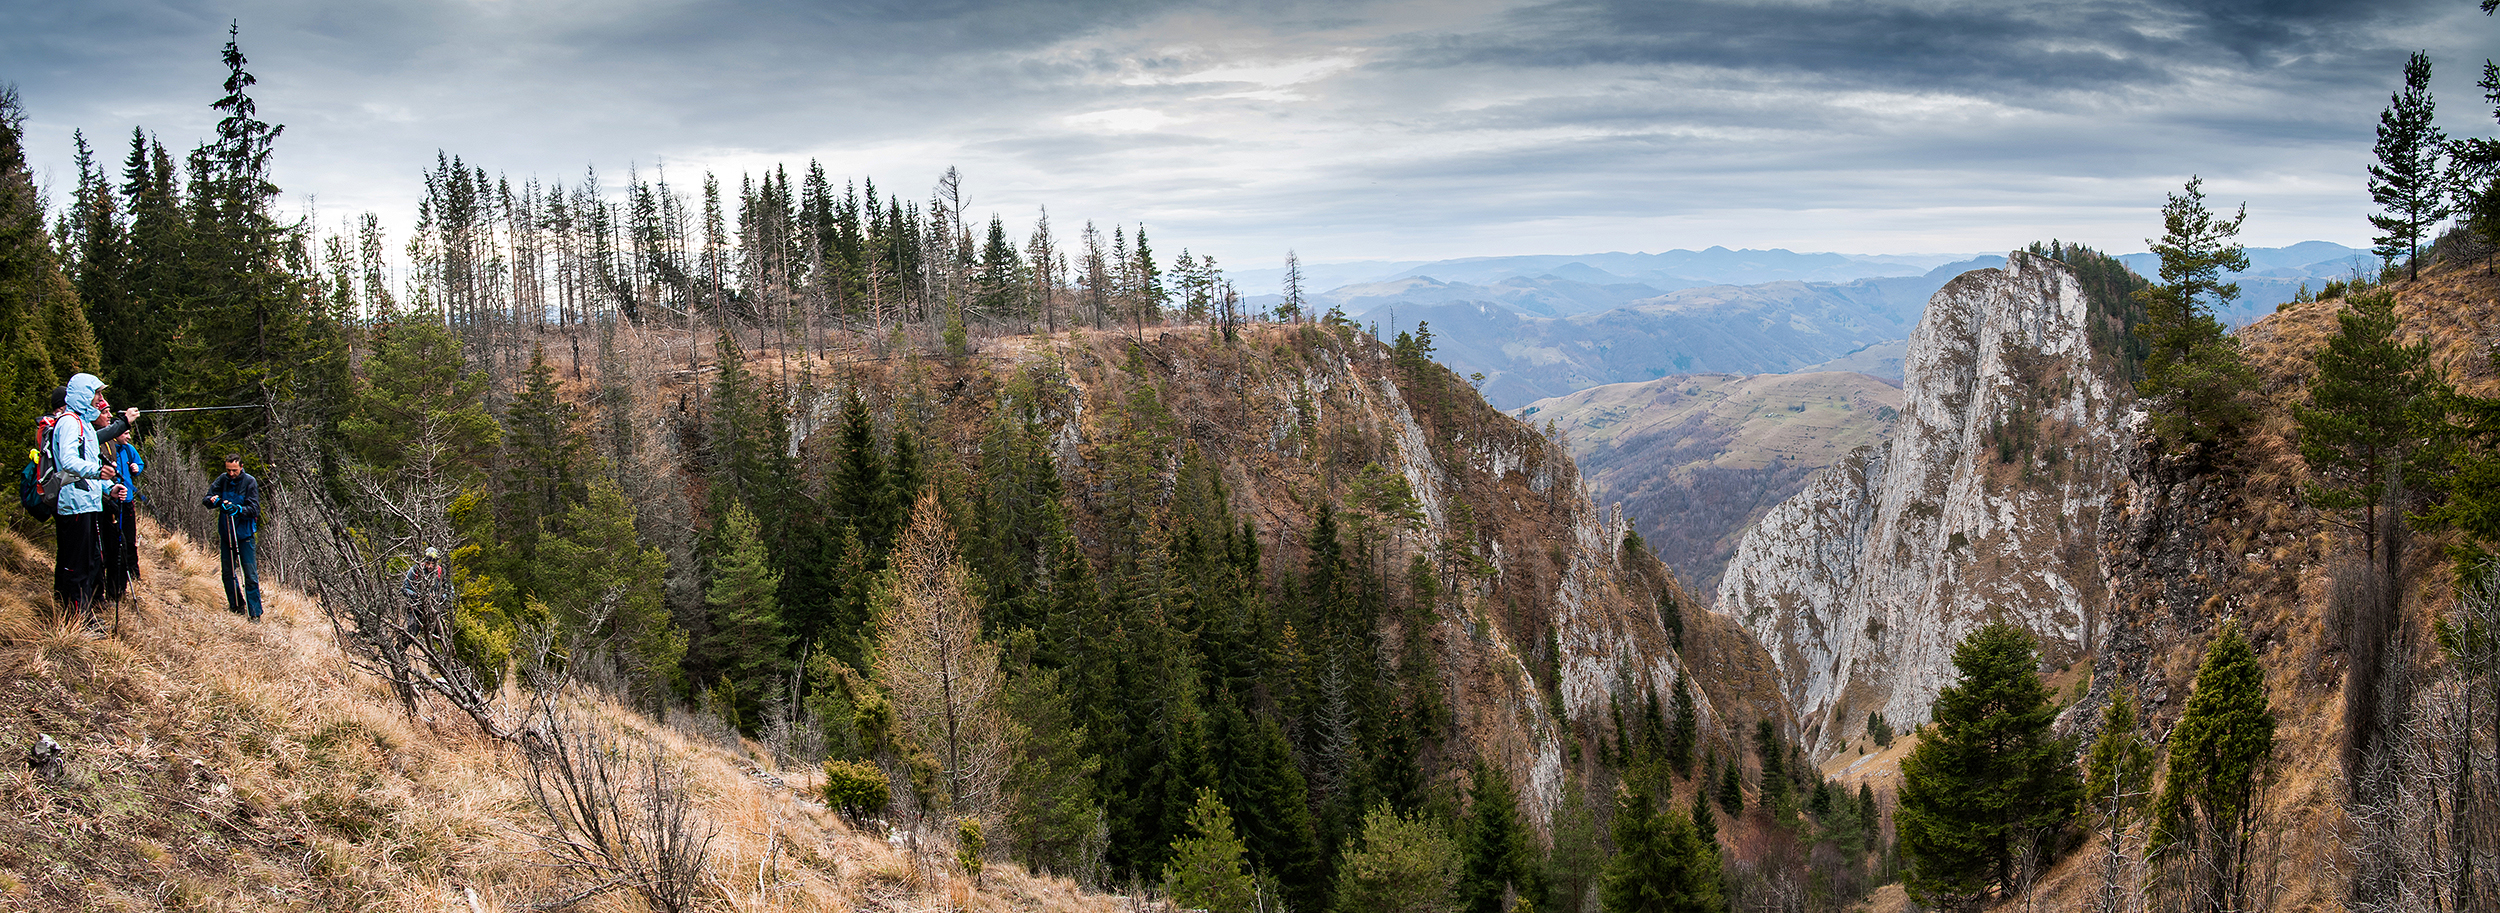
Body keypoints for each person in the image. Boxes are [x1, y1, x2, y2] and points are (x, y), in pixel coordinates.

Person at [50, 373, 119, 622]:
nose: (100, 399)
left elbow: (90, 464)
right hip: (73, 505)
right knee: (76, 566)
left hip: (87, 502)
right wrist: (97, 473)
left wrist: (107, 488)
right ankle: (75, 618)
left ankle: (85, 614)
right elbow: (69, 461)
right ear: (84, 395)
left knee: (90, 563)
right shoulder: (69, 422)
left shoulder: (83, 424)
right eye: (96, 394)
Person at [202, 454, 263, 621]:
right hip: (226, 533)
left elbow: (254, 508)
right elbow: (207, 499)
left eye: (234, 470)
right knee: (228, 573)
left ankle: (255, 613)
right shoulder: (222, 479)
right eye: (228, 470)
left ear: (241, 467)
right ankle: (236, 605)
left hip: (244, 535)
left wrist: (237, 509)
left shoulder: (250, 482)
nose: (231, 473)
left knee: (249, 575)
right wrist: (214, 501)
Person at [98, 421, 144, 602]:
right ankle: (115, 584)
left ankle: (133, 572)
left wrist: (136, 469)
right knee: (117, 541)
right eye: (125, 433)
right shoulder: (108, 448)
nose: (128, 436)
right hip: (113, 500)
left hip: (128, 499)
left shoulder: (128, 449)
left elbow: (139, 464)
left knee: (130, 538)